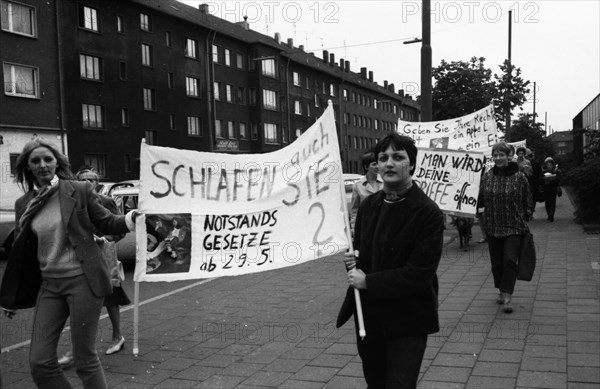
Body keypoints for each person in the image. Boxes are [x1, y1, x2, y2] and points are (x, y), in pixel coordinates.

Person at [0, 138, 137, 389]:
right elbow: (21, 254)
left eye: (48, 159)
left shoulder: (77, 190)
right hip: (50, 286)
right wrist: (11, 295)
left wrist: (130, 219)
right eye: (35, 161)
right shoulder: (25, 204)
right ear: (28, 166)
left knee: (85, 360)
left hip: (83, 281)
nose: (42, 165)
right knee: (40, 362)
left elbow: (107, 222)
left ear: (57, 163)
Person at [337, 133, 444, 388]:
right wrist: (353, 260)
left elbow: (419, 273)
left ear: (413, 164)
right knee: (375, 382)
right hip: (370, 315)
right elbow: (363, 254)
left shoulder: (427, 212)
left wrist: (368, 282)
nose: (388, 164)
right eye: (383, 158)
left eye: (398, 157)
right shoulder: (370, 205)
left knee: (399, 384)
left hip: (408, 317)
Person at [58, 168, 130, 368]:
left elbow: (118, 228)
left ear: (98, 183)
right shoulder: (73, 200)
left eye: (92, 179)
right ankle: (76, 349)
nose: (88, 182)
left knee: (111, 296)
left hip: (104, 255)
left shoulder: (105, 201)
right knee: (80, 300)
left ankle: (117, 336)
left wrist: (106, 239)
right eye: (84, 179)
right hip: (81, 257)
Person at [478, 142, 533, 314]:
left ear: (510, 156)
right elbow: (480, 198)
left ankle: (508, 296)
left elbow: (528, 197)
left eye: (502, 155)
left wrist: (527, 212)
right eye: (495, 155)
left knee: (509, 259)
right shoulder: (487, 176)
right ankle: (501, 290)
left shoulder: (519, 177)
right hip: (493, 225)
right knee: (497, 263)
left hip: (514, 225)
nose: (498, 158)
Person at [349, 151, 383, 231]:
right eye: (374, 164)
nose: (377, 166)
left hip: (383, 226)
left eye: (378, 163)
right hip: (366, 227)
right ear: (366, 167)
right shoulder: (358, 186)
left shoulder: (385, 183)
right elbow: (354, 210)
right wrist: (354, 229)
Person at [542, 157, 561, 222]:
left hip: (553, 189)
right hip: (546, 189)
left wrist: (553, 179)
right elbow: (540, 180)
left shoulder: (556, 172)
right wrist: (544, 179)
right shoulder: (543, 172)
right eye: (548, 165)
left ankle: (551, 216)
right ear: (546, 165)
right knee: (547, 203)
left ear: (552, 165)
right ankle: (549, 215)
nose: (549, 166)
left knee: (552, 202)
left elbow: (558, 180)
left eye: (550, 165)